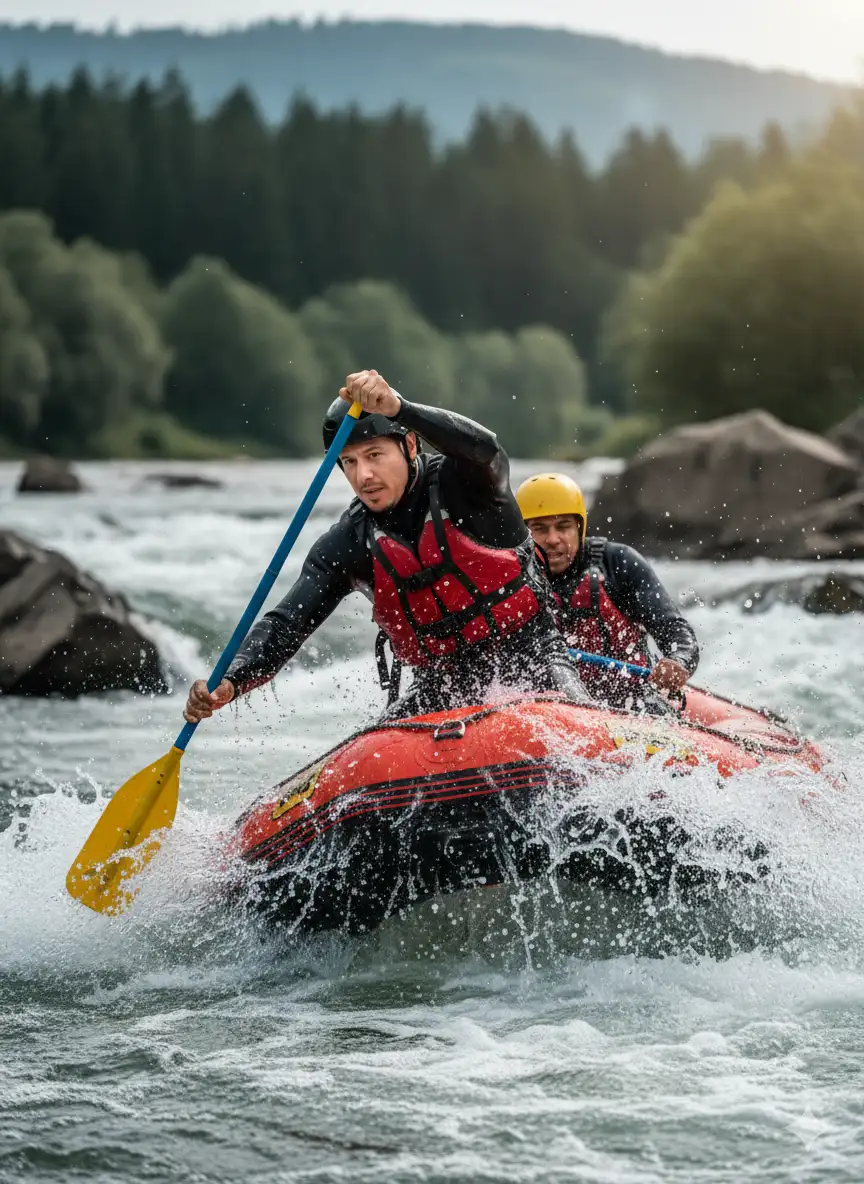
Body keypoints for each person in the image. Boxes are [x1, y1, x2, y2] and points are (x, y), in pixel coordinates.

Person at [183, 371, 590, 725]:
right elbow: (287, 624)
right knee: (375, 752)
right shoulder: (348, 543)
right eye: (350, 462)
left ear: (410, 447)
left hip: (533, 660)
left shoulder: (467, 488)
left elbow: (486, 448)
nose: (364, 475)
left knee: (570, 719)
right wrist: (231, 680)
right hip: (440, 685)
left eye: (374, 455)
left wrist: (399, 407)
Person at [514, 472, 699, 709]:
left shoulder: (618, 563)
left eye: (563, 526)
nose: (553, 539)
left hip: (631, 701)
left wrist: (677, 660)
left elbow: (674, 630)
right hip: (546, 707)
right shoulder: (512, 578)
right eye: (539, 529)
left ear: (579, 528)